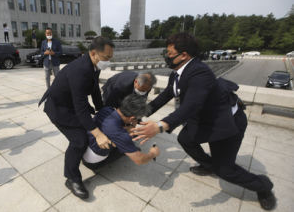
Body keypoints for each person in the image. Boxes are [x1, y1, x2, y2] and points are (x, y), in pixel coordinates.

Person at [130, 33, 276, 210]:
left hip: (226, 122)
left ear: (184, 55)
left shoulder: (200, 72)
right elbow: (164, 96)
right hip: (205, 119)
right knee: (185, 139)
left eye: (169, 53)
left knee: (226, 171)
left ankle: (263, 186)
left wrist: (160, 126)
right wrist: (139, 115)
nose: (167, 56)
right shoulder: (176, 74)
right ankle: (209, 165)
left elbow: (191, 106)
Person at [39, 36, 115, 200]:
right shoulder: (80, 70)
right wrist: (98, 134)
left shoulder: (94, 65)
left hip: (71, 103)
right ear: (94, 53)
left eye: (110, 58)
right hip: (59, 108)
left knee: (88, 128)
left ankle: (77, 157)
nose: (108, 61)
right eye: (106, 58)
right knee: (79, 140)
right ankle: (72, 178)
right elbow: (81, 108)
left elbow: (94, 90)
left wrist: (102, 111)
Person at [82, 94, 159, 170]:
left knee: (128, 138)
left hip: (82, 149)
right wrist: (153, 153)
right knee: (133, 148)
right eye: (138, 119)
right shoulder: (121, 134)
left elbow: (111, 127)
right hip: (92, 163)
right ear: (132, 118)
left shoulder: (107, 109)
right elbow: (139, 160)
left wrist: (130, 127)